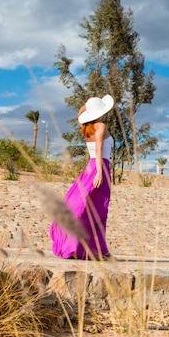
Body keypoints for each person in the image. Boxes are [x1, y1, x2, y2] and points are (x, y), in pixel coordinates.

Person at [49, 94, 115, 260]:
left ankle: (94, 248)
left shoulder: (85, 126)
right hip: (100, 167)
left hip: (89, 168)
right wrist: (100, 172)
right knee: (99, 208)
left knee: (86, 206)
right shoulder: (100, 126)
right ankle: (99, 250)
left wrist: (86, 107)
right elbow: (99, 150)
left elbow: (79, 114)